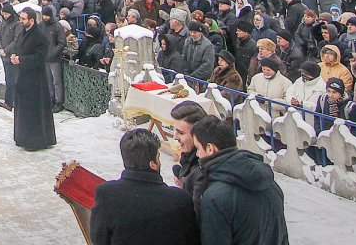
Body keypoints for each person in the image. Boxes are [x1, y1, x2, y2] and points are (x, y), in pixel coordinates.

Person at [91, 128, 199, 245]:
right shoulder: (180, 199)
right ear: (152, 164)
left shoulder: (107, 194)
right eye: (158, 157)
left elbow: (99, 239)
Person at [192, 116, 289, 245]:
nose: (197, 155)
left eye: (198, 148)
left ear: (210, 148)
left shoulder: (215, 197)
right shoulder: (271, 184)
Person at [11, 8, 56, 150]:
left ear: (31, 20)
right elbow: (19, 48)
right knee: (23, 109)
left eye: (23, 19)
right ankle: (22, 137)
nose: (21, 21)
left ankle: (35, 140)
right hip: (23, 77)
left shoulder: (39, 36)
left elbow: (40, 57)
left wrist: (21, 60)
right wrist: (14, 56)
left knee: (33, 111)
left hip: (35, 80)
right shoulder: (23, 32)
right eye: (20, 18)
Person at [169, 100, 210, 208]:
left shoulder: (202, 174)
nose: (175, 137)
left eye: (181, 133)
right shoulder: (190, 156)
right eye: (175, 130)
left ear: (197, 135)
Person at [42, 6, 68, 113]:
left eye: (46, 16)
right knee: (48, 80)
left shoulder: (57, 26)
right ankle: (50, 98)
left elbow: (62, 43)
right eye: (43, 15)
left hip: (54, 58)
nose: (45, 18)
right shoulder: (41, 26)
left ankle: (59, 101)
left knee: (56, 81)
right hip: (45, 57)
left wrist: (52, 53)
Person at [0, 3, 20, 111]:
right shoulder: (3, 23)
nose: (5, 16)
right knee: (8, 79)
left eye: (6, 14)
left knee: (12, 80)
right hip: (4, 55)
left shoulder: (16, 24)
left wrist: (6, 50)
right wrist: (0, 48)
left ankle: (11, 102)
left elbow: (16, 40)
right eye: (3, 14)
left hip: (11, 55)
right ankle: (8, 101)